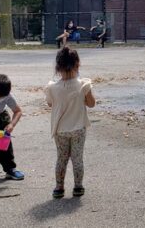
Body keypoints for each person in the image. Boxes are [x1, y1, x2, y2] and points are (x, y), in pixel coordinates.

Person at [45, 47, 96, 199]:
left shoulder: (51, 87)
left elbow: (50, 104)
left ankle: (59, 188)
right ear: (78, 64)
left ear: (58, 67)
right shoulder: (84, 85)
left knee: (61, 158)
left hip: (60, 130)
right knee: (77, 158)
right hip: (78, 128)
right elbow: (91, 104)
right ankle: (78, 187)